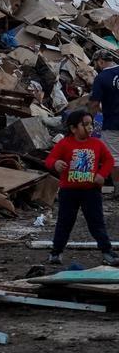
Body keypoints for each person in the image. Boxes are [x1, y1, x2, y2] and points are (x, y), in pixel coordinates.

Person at [44, 109, 118, 266]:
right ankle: (56, 253)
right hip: (68, 191)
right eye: (85, 124)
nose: (90, 128)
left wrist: (101, 175)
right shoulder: (65, 143)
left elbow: (109, 161)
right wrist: (56, 164)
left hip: (91, 191)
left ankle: (107, 252)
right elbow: (50, 159)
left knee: (96, 222)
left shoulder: (97, 144)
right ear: (73, 128)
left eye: (91, 124)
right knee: (64, 222)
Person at [89, 49, 119, 159]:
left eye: (95, 63)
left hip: (113, 124)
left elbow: (94, 105)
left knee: (114, 159)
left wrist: (94, 123)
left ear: (101, 61)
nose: (95, 66)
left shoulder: (101, 78)